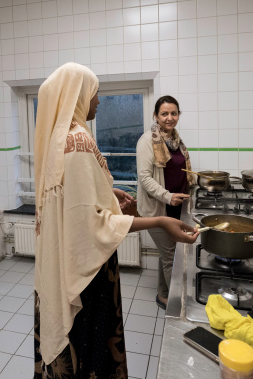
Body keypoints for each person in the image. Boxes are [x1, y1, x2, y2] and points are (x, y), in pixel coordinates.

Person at [33, 63, 199, 378]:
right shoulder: (78, 142)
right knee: (90, 352)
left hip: (61, 262)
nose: (98, 102)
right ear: (78, 96)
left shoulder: (60, 139)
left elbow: (73, 200)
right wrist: (160, 222)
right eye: (94, 94)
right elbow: (91, 224)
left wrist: (109, 191)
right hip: (86, 273)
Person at [136, 95, 195, 310]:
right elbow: (144, 178)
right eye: (164, 114)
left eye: (174, 113)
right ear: (156, 115)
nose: (169, 118)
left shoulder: (176, 140)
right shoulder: (146, 141)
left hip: (176, 207)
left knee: (167, 251)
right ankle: (177, 306)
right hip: (157, 209)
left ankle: (163, 294)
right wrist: (168, 195)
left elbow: (181, 170)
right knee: (172, 255)